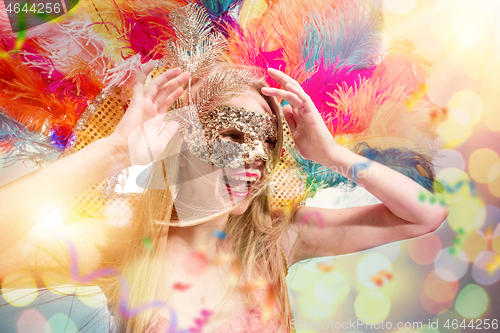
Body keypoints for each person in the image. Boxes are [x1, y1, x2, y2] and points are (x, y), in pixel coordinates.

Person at [0, 2, 449, 333]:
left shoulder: (279, 240)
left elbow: (428, 213)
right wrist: (116, 151)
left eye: (268, 141)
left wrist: (334, 155)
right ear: (180, 139)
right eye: (235, 135)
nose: (255, 155)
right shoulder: (119, 247)